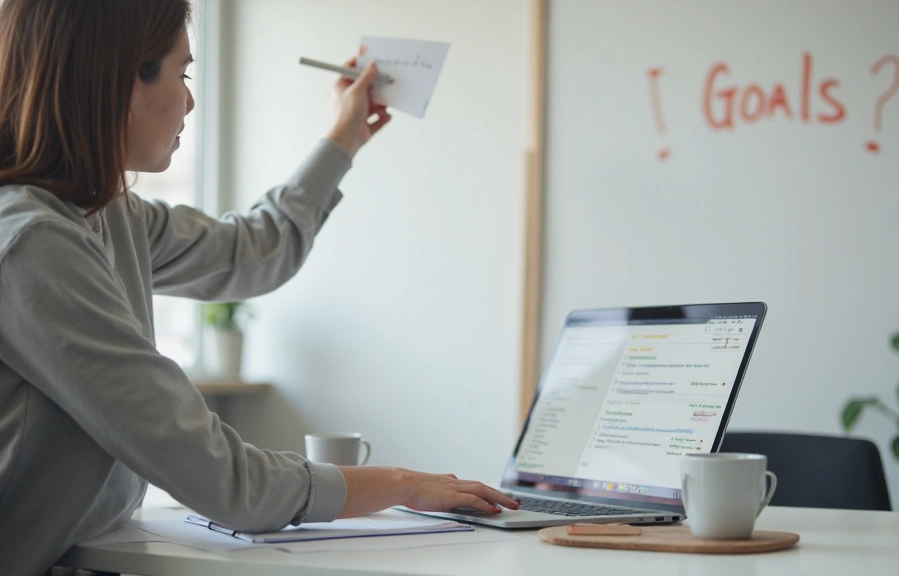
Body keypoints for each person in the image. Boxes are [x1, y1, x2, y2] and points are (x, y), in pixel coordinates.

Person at [0, 1, 518, 574]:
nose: (190, 100)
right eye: (183, 73)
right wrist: (401, 484)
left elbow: (252, 252)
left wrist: (345, 134)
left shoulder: (105, 212)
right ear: (117, 81)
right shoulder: (32, 243)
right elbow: (226, 481)